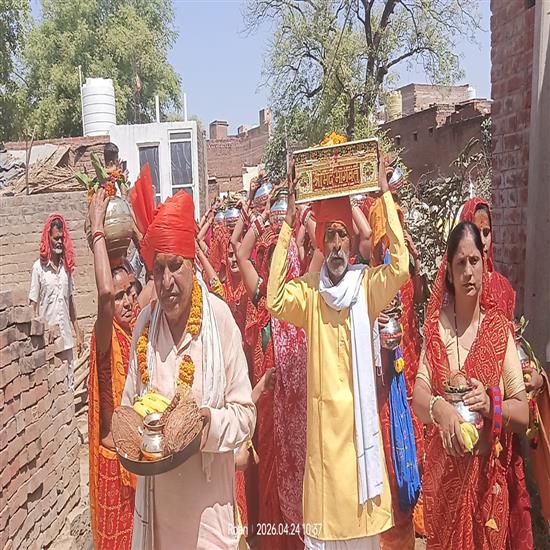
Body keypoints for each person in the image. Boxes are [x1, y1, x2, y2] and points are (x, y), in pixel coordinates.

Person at [267, 152, 410, 549]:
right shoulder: (310, 293)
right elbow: (274, 298)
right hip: (325, 460)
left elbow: (400, 267)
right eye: (328, 236)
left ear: (351, 243)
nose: (334, 245)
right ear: (320, 243)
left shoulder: (366, 286)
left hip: (360, 454)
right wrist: (288, 223)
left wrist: (383, 195)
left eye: (341, 236)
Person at [123, 169, 256, 549]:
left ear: (192, 264)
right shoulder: (145, 326)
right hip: (158, 514)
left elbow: (245, 417)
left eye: (175, 266)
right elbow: (129, 407)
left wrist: (205, 423)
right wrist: (130, 431)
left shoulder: (219, 319)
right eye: (158, 270)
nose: (166, 282)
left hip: (209, 513)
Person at [412, 221, 529, 550]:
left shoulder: (498, 330)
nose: (468, 272)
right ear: (449, 273)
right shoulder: (437, 329)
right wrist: (440, 408)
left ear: (483, 264)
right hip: (444, 487)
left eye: (474, 261)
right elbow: (418, 396)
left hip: (486, 493)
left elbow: (522, 413)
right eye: (460, 263)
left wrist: (491, 404)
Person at [461, 197, 546, 548]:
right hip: (471, 418)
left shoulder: (504, 289)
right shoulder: (458, 288)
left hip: (504, 414)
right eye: (476, 232)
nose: (483, 241)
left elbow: (513, 344)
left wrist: (532, 375)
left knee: (510, 499)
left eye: (487, 232)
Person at [235, 186, 307, 549]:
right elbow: (240, 252)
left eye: (282, 253)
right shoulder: (262, 295)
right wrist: (261, 215)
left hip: (299, 410)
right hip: (268, 404)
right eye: (269, 255)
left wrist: (299, 212)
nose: (273, 259)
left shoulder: (306, 296)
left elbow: (318, 247)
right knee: (270, 475)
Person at [87, 188, 138, 549]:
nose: (128, 301)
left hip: (139, 460)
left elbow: (157, 281)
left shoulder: (137, 328)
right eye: (121, 297)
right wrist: (97, 231)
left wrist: (135, 229)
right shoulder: (105, 336)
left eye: (131, 292)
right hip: (113, 466)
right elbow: (104, 293)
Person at [30, 214, 82, 388]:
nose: (59, 242)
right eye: (56, 238)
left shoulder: (67, 269)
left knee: (69, 385)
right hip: (48, 341)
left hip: (66, 339)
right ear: (48, 238)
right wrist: (41, 331)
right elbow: (33, 306)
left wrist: (78, 333)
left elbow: (71, 302)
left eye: (61, 238)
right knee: (51, 386)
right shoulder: (38, 269)